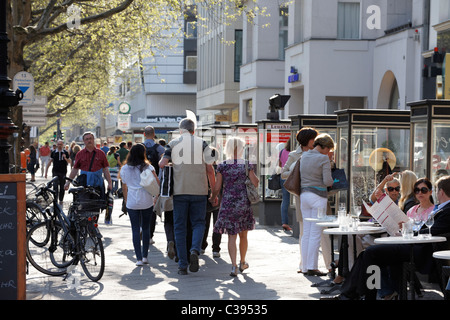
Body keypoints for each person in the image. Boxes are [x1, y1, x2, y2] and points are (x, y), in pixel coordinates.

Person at [323, 175, 450, 300]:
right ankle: (352, 295)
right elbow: (428, 230)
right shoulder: (440, 209)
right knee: (366, 255)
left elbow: (430, 231)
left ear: (441, 191)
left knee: (370, 253)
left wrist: (408, 230)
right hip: (413, 245)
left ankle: (356, 296)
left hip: (419, 251)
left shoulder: (446, 210)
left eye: (435, 190)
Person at [159, 118, 216, 275]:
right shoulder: (203, 144)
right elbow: (210, 169)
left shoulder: (173, 144)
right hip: (200, 190)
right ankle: (195, 250)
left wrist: (172, 163)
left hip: (180, 191)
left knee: (180, 227)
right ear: (194, 130)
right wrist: (214, 192)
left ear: (180, 130)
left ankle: (182, 265)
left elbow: (162, 164)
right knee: (199, 223)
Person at [210, 137, 259, 276]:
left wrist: (213, 197)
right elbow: (255, 182)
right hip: (243, 203)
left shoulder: (223, 165)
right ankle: (242, 262)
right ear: (241, 148)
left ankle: (233, 266)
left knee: (232, 236)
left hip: (228, 203)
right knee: (243, 235)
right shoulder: (246, 164)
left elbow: (217, 186)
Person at [281, 127, 319, 272]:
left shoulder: (318, 152)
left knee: (321, 232)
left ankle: (328, 265)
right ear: (307, 140)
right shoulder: (294, 155)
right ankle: (304, 264)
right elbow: (284, 174)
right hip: (302, 195)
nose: (315, 141)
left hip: (319, 194)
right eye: (313, 139)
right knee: (304, 231)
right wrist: (298, 168)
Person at [299, 133, 334, 276]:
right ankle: (313, 267)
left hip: (304, 195)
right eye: (329, 149)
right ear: (324, 147)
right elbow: (328, 182)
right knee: (315, 233)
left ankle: (305, 266)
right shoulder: (323, 158)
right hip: (318, 196)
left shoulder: (304, 156)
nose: (329, 152)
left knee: (306, 233)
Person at [119, 143, 159, 266]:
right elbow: (157, 183)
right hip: (146, 199)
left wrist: (126, 201)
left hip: (132, 201)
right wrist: (155, 197)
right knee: (146, 228)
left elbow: (124, 187)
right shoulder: (148, 167)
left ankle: (138, 259)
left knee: (135, 229)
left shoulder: (125, 168)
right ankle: (145, 256)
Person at [64, 131, 112, 200]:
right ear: (84, 141)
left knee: (97, 206)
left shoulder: (101, 153)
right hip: (84, 185)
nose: (89, 140)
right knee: (84, 205)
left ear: (93, 140)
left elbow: (105, 170)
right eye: (87, 139)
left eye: (91, 138)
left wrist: (109, 183)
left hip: (97, 185)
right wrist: (68, 182)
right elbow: (75, 169)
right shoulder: (80, 154)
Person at [144, 125, 166, 244]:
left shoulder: (139, 148)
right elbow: (163, 167)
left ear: (144, 134)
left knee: (141, 206)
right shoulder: (160, 149)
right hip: (154, 182)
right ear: (153, 134)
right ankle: (149, 235)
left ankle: (142, 228)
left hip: (140, 183)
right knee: (152, 208)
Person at [202, 147, 222, 258]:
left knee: (204, 223)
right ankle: (216, 249)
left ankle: (202, 246)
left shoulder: (204, 168)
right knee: (217, 224)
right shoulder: (220, 168)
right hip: (218, 199)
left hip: (205, 198)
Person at [45, 140, 71, 205]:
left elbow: (69, 161)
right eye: (58, 144)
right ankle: (55, 200)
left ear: (63, 145)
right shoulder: (54, 152)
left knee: (62, 187)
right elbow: (50, 162)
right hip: (55, 172)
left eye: (61, 144)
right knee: (55, 186)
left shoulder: (65, 152)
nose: (59, 145)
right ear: (57, 145)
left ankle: (61, 200)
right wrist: (46, 171)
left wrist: (65, 158)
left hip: (63, 172)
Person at [279, 138, 291, 231]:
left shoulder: (282, 151)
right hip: (293, 177)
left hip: (283, 176)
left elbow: (280, 164)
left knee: (285, 199)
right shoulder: (294, 153)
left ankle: (284, 222)